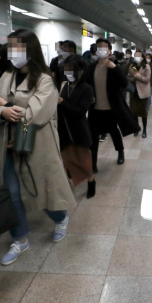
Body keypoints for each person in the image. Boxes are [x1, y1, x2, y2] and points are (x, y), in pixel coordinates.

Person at [0, 29, 77, 266]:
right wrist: (2, 110)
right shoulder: (6, 75)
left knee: (41, 189)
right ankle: (20, 237)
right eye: (11, 47)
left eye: (18, 47)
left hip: (37, 144)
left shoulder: (45, 80)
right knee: (12, 193)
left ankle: (60, 217)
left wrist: (5, 105)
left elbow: (36, 115)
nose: (12, 52)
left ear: (30, 50)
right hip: (8, 142)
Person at [86, 38, 140, 172]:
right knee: (93, 136)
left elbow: (123, 83)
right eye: (99, 47)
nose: (101, 50)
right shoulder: (91, 68)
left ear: (109, 51)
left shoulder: (115, 67)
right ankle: (93, 163)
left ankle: (120, 152)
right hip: (95, 109)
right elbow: (86, 84)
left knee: (114, 132)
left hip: (110, 109)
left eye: (104, 47)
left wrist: (115, 68)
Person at [57, 55, 97, 198]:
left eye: (72, 71)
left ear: (80, 71)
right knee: (67, 159)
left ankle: (91, 181)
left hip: (79, 130)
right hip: (64, 129)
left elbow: (80, 111)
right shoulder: (64, 85)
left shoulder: (87, 89)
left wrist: (62, 103)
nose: (69, 74)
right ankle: (70, 184)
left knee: (84, 161)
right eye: (66, 71)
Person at [128, 51, 151, 139]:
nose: (136, 57)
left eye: (138, 56)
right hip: (134, 93)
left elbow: (147, 80)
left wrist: (137, 76)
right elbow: (129, 76)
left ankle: (144, 130)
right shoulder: (132, 66)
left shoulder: (146, 67)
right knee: (134, 113)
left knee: (143, 113)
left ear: (142, 58)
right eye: (135, 56)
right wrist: (133, 78)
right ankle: (137, 128)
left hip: (143, 93)